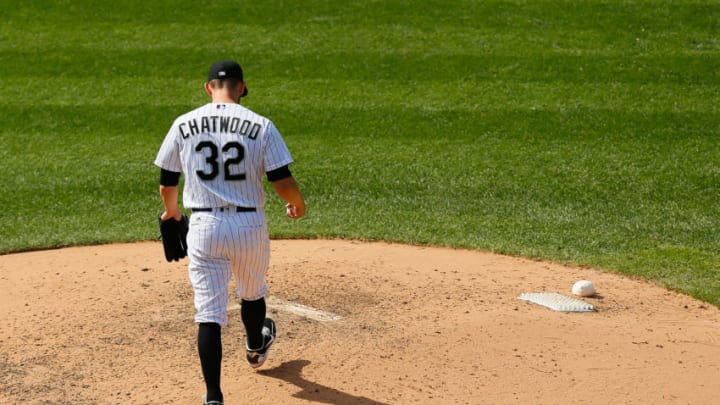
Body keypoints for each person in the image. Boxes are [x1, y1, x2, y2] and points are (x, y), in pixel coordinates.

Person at [154, 60, 306, 405]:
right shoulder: (261, 125)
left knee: (209, 315)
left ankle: (213, 397)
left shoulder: (184, 123)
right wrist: (298, 203)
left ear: (208, 88)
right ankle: (255, 346)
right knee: (252, 294)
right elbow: (280, 179)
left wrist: (172, 211)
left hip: (204, 227)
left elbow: (167, 178)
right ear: (242, 87)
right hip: (249, 225)